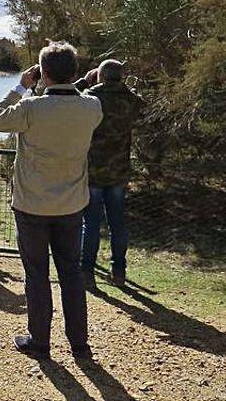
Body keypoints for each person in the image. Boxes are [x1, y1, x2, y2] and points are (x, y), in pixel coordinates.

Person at [0, 41, 103, 360]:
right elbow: (71, 97)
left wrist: (21, 87)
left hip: (32, 205)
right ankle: (79, 344)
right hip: (71, 204)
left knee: (37, 274)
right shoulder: (92, 107)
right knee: (72, 273)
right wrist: (79, 84)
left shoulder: (31, 107)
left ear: (43, 73)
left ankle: (40, 341)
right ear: (74, 72)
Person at [74, 60, 144, 289]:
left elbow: (62, 96)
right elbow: (141, 109)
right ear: (121, 76)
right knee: (118, 223)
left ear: (100, 76)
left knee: (91, 223)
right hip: (118, 171)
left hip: (93, 170)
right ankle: (119, 271)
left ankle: (86, 272)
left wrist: (86, 79)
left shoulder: (90, 97)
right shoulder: (130, 100)